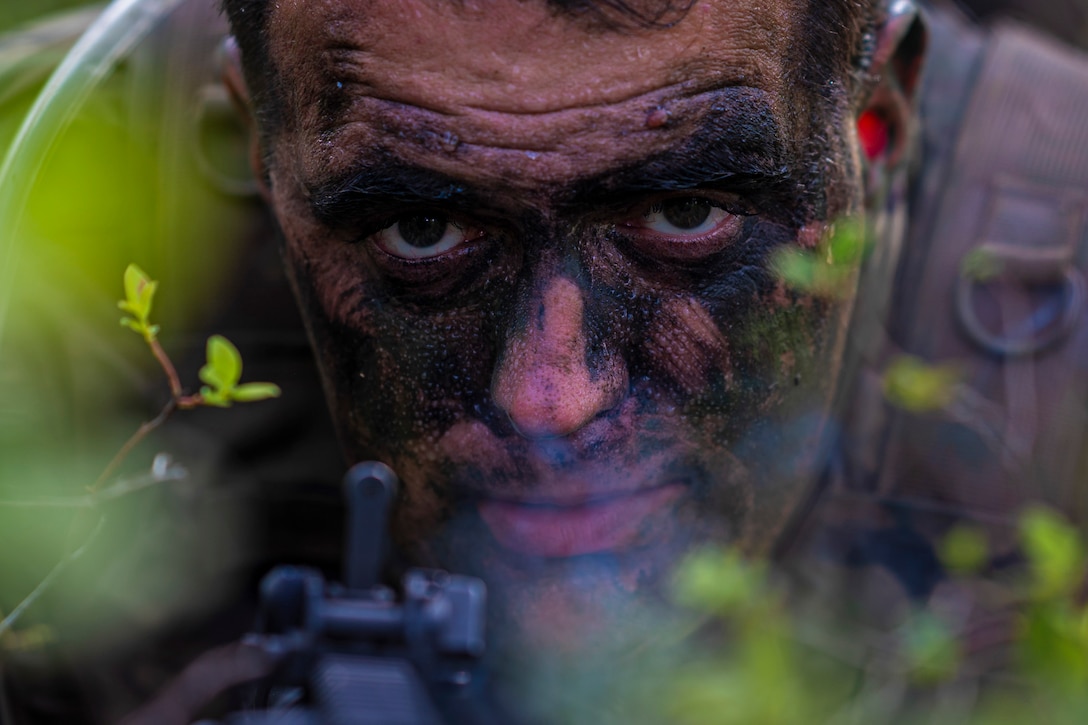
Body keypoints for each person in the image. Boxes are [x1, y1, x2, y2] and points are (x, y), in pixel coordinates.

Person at [1, 0, 1086, 722]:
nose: (550, 398)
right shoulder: (40, 247)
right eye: (421, 231)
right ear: (254, 141)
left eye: (683, 211)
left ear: (869, 123)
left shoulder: (1060, 274)